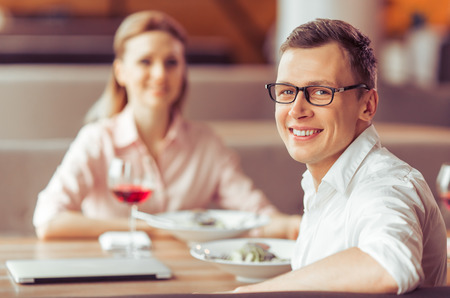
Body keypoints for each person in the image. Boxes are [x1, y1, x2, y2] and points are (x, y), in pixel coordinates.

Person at [33, 10, 300, 240]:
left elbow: (256, 215)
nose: (160, 74)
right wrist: (149, 229)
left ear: (184, 71)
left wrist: (291, 226)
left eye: (171, 62)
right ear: (121, 72)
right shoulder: (97, 140)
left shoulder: (206, 144)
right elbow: (48, 221)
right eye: (145, 61)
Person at [234, 19, 447, 294]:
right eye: (287, 91)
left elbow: (388, 264)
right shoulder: (322, 182)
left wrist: (247, 294)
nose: (297, 110)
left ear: (367, 106)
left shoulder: (386, 184)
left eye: (320, 92)